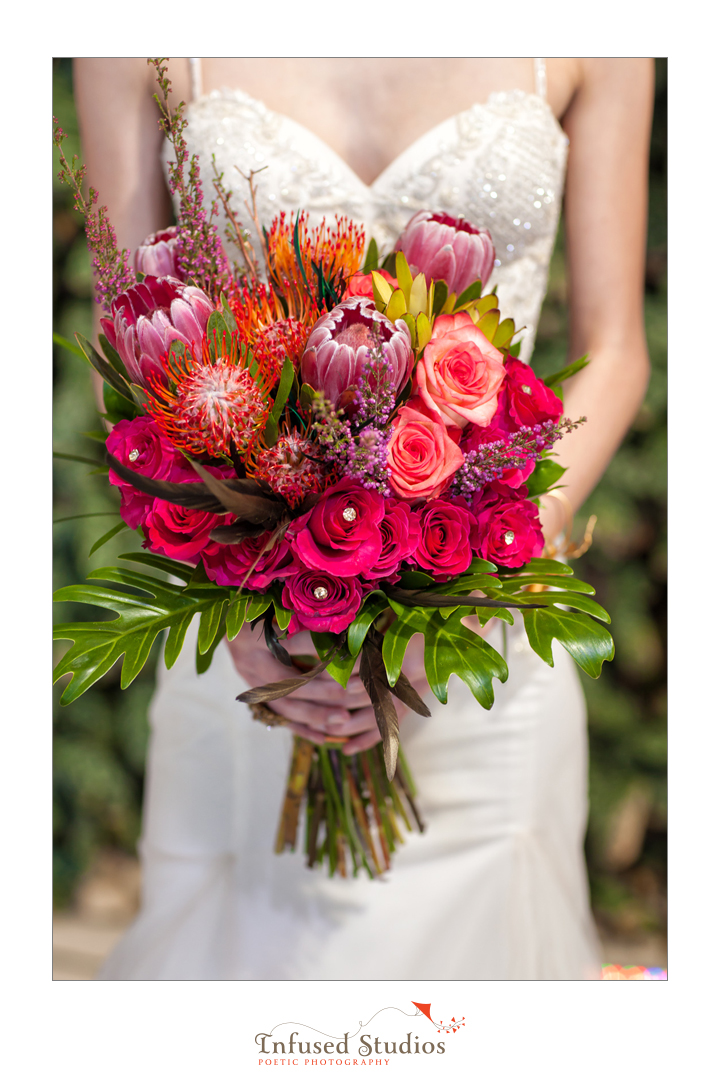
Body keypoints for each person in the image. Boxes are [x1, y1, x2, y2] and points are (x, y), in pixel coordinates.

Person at [73, 57, 653, 979]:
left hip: (481, 645)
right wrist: (255, 607)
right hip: (250, 656)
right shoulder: (125, 39)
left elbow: (617, 346)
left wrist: (470, 581)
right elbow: (133, 347)